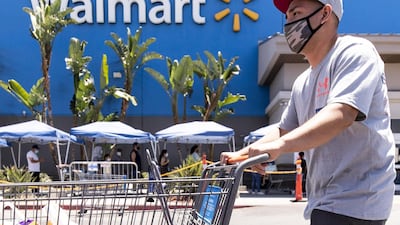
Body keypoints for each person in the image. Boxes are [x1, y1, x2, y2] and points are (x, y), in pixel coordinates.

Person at [221, 0, 396, 224]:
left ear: (325, 13)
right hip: (324, 201)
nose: (289, 23)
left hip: (358, 201)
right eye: (287, 17)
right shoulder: (303, 81)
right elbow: (284, 130)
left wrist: (278, 147)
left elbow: (341, 114)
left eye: (296, 13)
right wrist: (243, 155)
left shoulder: (354, 53)